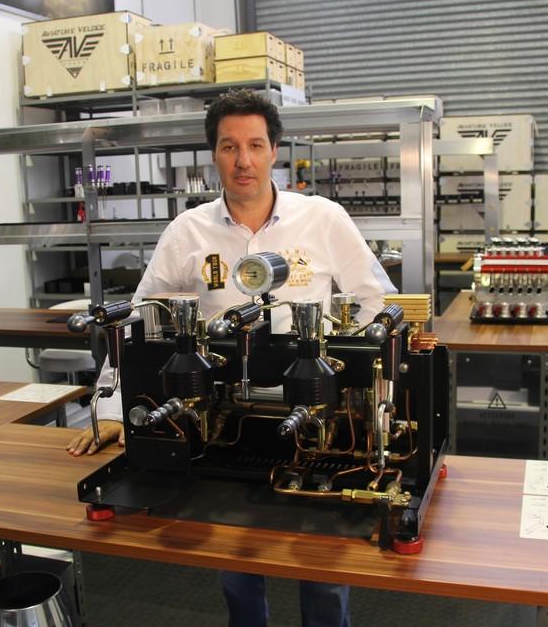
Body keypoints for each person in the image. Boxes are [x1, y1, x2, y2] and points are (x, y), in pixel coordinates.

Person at [67, 88, 396, 627]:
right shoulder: (188, 231)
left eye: (255, 145)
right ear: (213, 154)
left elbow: (377, 299)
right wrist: (110, 410)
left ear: (275, 151)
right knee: (235, 554)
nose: (243, 160)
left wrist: (345, 367)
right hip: (224, 419)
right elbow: (138, 322)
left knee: (322, 557)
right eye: (229, 147)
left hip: (313, 409)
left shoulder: (322, 218)